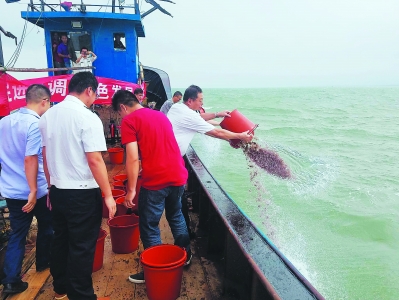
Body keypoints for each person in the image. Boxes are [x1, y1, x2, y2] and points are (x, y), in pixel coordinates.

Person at [39, 72, 116, 300]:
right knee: (82, 246)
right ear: (89, 90)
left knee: (61, 238)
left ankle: (60, 286)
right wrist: (109, 194)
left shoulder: (47, 116)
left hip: (58, 190)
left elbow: (45, 156)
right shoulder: (87, 117)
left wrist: (51, 188)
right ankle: (82, 296)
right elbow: (95, 160)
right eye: (95, 94)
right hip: (82, 193)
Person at [111, 89, 191, 284]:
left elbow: (131, 157)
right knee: (176, 214)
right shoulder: (160, 116)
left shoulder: (129, 121)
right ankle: (186, 255)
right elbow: (161, 146)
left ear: (123, 107)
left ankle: (156, 271)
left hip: (156, 181)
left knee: (149, 224)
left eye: (119, 113)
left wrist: (131, 190)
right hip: (179, 176)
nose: (121, 117)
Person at [0, 84, 53, 294]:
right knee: (47, 227)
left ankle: (11, 279)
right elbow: (30, 158)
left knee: (17, 234)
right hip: (36, 190)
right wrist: (32, 190)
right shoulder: (35, 125)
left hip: (11, 191)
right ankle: (43, 261)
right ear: (44, 102)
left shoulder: (4, 122)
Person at [168, 84, 254, 157]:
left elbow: (200, 116)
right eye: (200, 100)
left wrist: (217, 114)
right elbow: (217, 132)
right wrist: (240, 136)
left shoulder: (177, 107)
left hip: (164, 151)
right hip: (169, 157)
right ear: (190, 101)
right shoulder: (190, 116)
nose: (202, 103)